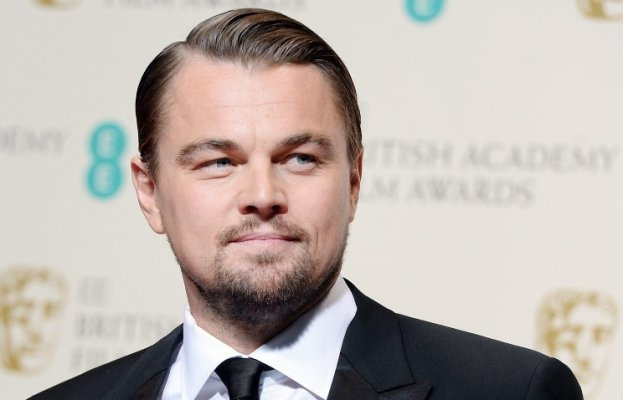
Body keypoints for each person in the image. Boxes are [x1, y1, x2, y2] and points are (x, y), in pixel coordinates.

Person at [30, 8, 583, 400]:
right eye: (219, 162)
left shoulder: (509, 389)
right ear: (149, 193)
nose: (262, 196)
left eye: (299, 158)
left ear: (353, 181)